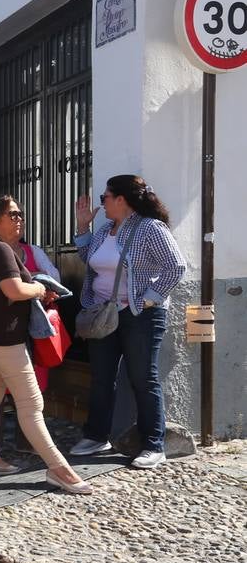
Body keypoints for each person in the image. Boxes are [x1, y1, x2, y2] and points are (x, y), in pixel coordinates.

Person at [0, 195, 91, 494]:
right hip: (4, 339)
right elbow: (13, 288)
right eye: (12, 214)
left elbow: (6, 292)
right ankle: (59, 469)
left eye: (20, 214)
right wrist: (38, 288)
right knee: (31, 404)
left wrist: (30, 291)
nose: (19, 218)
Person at [70, 175, 186, 468]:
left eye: (104, 198)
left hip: (140, 316)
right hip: (103, 314)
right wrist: (83, 226)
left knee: (143, 379)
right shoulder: (106, 230)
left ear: (121, 199)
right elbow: (89, 258)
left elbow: (176, 266)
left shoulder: (150, 228)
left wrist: (147, 299)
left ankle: (153, 444)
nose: (102, 204)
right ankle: (97, 436)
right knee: (101, 378)